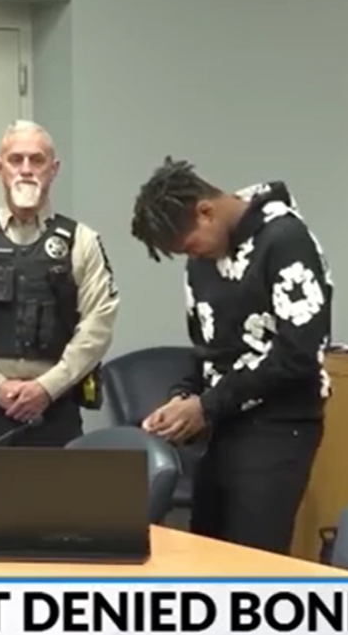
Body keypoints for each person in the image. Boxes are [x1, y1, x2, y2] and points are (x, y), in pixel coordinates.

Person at [129, 157, 333, 555]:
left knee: (253, 559)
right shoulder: (201, 263)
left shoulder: (285, 240)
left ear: (206, 211)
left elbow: (299, 354)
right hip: (221, 427)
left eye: (191, 245)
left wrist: (206, 406)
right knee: (208, 551)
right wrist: (183, 397)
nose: (193, 256)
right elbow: (206, 351)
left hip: (278, 427)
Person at [0, 120, 120, 486]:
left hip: (57, 410)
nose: (26, 169)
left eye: (37, 160)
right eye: (16, 160)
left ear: (54, 168)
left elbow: (98, 325)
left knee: (59, 516)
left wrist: (47, 388)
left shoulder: (82, 242)